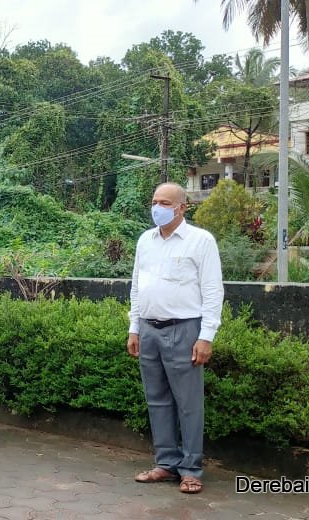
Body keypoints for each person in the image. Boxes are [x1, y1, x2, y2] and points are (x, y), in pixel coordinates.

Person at [127, 182, 224, 495]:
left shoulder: (201, 241)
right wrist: (134, 327)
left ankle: (191, 469)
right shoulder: (145, 240)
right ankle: (166, 463)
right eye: (154, 201)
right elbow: (137, 286)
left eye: (165, 203)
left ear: (182, 207)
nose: (157, 207)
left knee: (188, 403)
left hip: (184, 329)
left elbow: (213, 291)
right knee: (157, 399)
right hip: (149, 328)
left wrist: (206, 336)